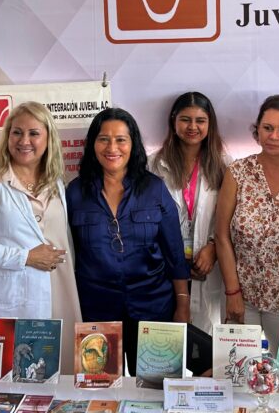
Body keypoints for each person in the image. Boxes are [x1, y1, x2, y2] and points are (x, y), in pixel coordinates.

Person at [66, 108, 190, 374]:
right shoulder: (75, 193)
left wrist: (182, 304)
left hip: (153, 307)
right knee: (98, 387)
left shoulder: (154, 188)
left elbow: (174, 253)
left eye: (121, 139)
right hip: (96, 310)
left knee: (156, 387)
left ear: (133, 145)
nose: (112, 148)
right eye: (104, 139)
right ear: (93, 144)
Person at [0, 102, 81, 374]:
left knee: (51, 375)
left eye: (33, 133)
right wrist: (26, 257)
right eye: (17, 132)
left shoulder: (55, 181)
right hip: (7, 296)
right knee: (5, 379)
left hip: (56, 290)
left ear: (48, 138)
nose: (24, 141)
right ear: (7, 136)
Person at [215, 95, 279, 352]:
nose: (273, 136)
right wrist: (232, 292)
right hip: (241, 294)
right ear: (257, 129)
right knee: (234, 367)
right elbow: (222, 235)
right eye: (267, 128)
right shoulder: (238, 172)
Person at [148, 92, 228, 334]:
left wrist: (213, 247)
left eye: (200, 120)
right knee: (167, 342)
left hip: (207, 267)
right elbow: (146, 221)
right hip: (165, 268)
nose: (193, 127)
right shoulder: (152, 165)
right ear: (173, 121)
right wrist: (173, 257)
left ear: (210, 124)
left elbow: (233, 218)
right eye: (185, 119)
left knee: (205, 341)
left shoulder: (225, 165)